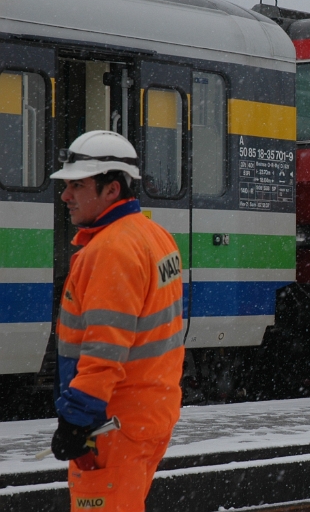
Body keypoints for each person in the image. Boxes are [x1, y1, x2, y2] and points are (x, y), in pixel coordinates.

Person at [49, 130, 185, 511]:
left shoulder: (111, 250)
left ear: (111, 189)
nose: (65, 196)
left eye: (77, 185)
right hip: (150, 412)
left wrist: (76, 420)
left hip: (112, 424)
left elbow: (104, 349)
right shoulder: (155, 236)